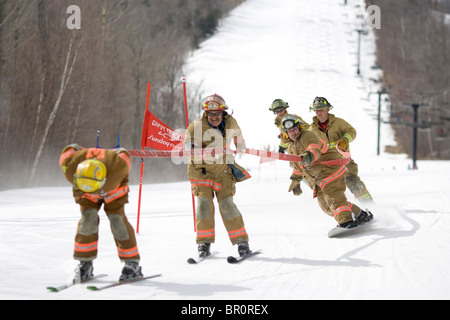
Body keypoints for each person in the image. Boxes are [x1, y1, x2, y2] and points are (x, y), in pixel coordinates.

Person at [59, 144, 143, 281]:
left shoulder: (117, 168)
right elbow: (67, 152)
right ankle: (85, 263)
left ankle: (131, 263)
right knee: (87, 222)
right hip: (87, 196)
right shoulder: (71, 166)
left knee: (118, 222)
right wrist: (76, 147)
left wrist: (118, 151)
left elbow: (124, 154)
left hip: (114, 194)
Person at [184, 94, 252, 257]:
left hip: (223, 172)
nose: (214, 117)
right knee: (203, 207)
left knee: (227, 205)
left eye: (218, 114)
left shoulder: (231, 123)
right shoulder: (195, 127)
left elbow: (239, 137)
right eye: (211, 114)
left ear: (223, 113)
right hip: (202, 173)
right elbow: (187, 151)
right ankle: (204, 243)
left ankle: (241, 242)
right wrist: (198, 149)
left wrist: (240, 146)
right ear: (206, 113)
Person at [281, 114, 373, 228]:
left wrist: (308, 156)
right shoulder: (292, 147)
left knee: (334, 199)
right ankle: (360, 214)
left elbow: (314, 148)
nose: (293, 133)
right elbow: (297, 165)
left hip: (330, 172)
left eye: (294, 129)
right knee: (325, 205)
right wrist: (295, 181)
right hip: (318, 180)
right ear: (286, 133)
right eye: (289, 131)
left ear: (299, 128)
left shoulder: (307, 136)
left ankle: (346, 221)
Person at [308, 97, 373, 204]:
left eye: (322, 110)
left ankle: (368, 203)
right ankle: (344, 211)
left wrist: (345, 140)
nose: (319, 113)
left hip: (344, 161)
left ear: (327, 110)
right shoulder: (312, 130)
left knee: (352, 180)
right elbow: (309, 145)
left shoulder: (338, 123)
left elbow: (352, 131)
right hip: (327, 166)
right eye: (317, 110)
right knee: (331, 189)